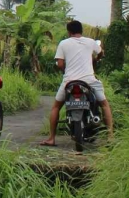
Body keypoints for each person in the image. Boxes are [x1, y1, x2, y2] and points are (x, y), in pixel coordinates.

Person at [42, 19, 114, 148]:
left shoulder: (63, 43)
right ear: (81, 30)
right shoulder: (91, 42)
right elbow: (101, 52)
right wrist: (96, 59)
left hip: (69, 81)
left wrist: (65, 71)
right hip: (89, 81)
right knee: (104, 104)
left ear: (69, 32)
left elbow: (60, 64)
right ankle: (110, 137)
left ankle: (51, 138)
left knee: (56, 107)